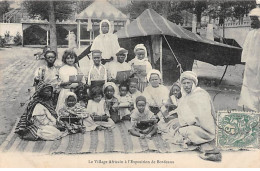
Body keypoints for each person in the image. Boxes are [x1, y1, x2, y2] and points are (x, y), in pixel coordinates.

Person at [170, 71, 221, 161]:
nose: (186, 86)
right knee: (173, 126)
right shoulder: (188, 95)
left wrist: (182, 123)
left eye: (188, 83)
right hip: (196, 125)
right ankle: (205, 148)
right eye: (184, 83)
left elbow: (200, 118)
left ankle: (210, 152)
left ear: (193, 83)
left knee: (180, 131)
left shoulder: (199, 95)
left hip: (204, 129)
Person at [238, 7, 260, 112]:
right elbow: (245, 50)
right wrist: (245, 65)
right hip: (250, 66)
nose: (252, 22)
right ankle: (252, 109)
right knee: (249, 87)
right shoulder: (251, 34)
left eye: (255, 19)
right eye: (251, 19)